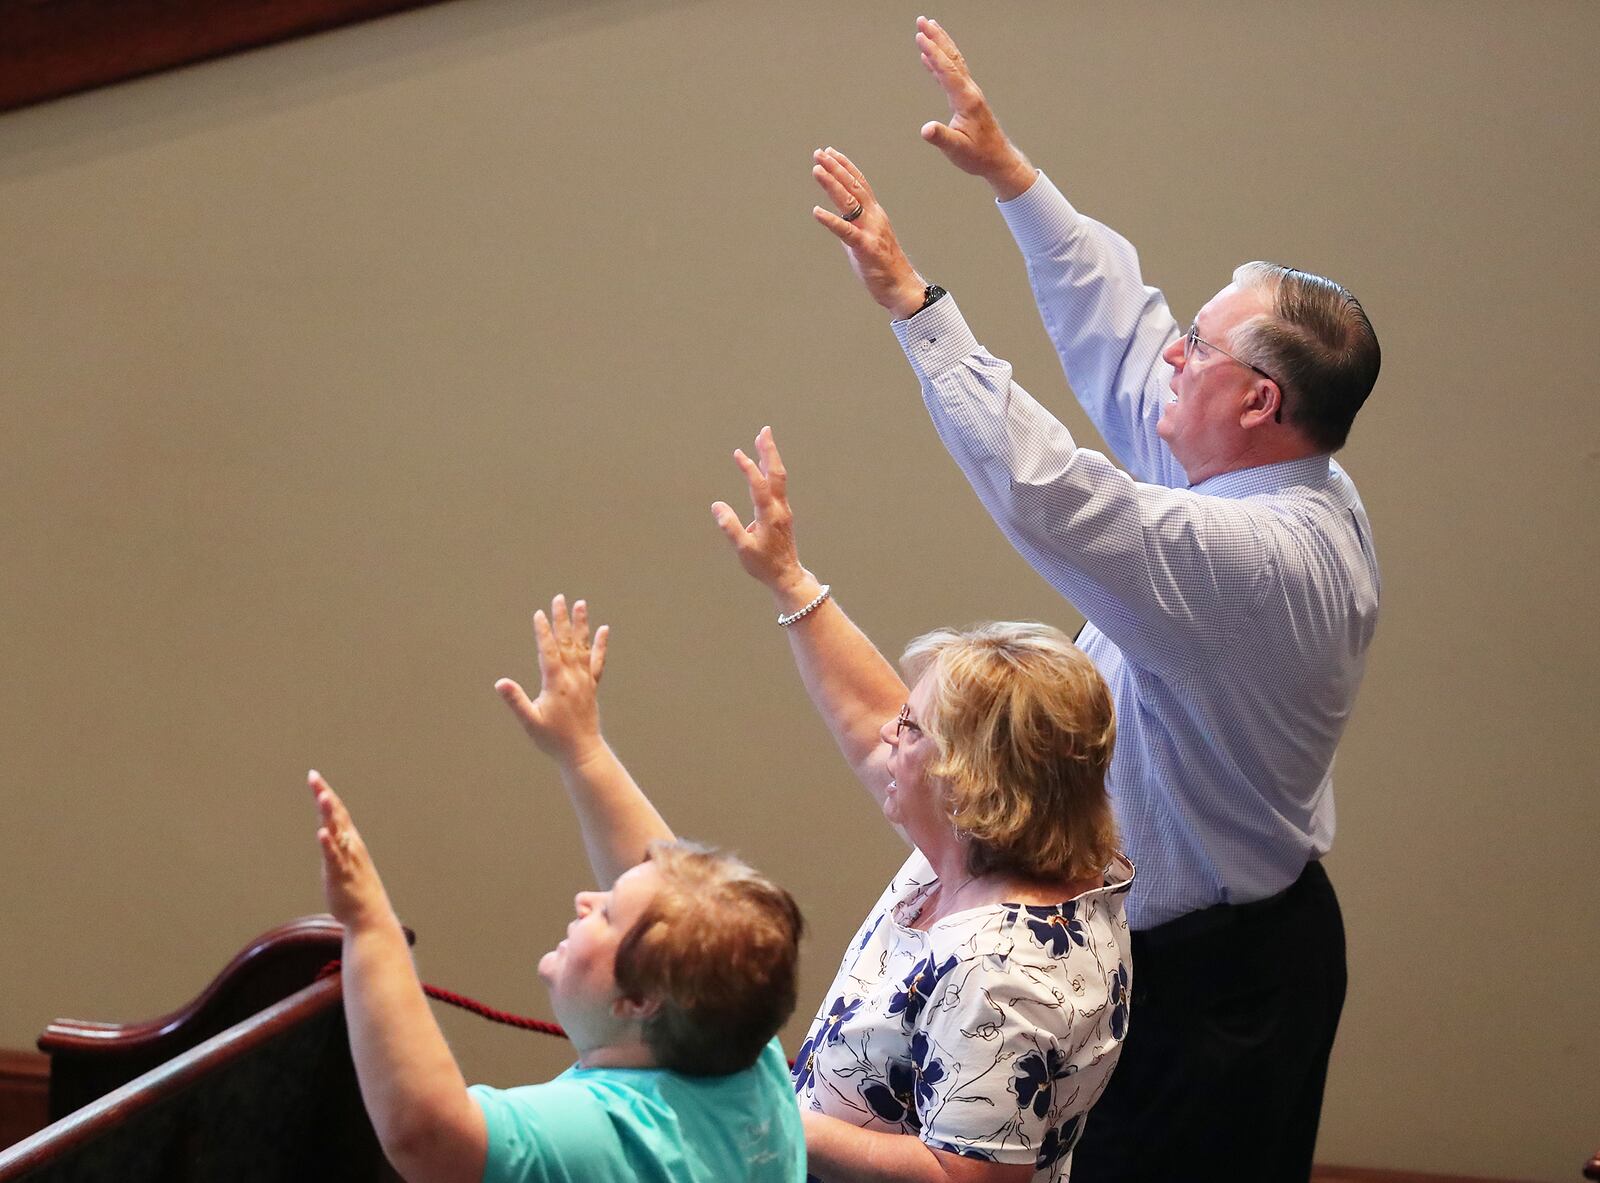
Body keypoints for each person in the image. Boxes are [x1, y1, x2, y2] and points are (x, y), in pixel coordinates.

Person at [805, 18, 1383, 1182]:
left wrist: (917, 308)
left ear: (1260, 400)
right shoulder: (1267, 471)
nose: (1173, 354)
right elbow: (1122, 335)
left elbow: (1057, 499)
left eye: (1201, 348)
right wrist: (1013, 177)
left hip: (1216, 981)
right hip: (1191, 943)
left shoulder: (1257, 554)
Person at [712, 428, 1134, 1183]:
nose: (888, 734)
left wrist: (770, 1118)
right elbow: (867, 713)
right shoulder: (988, 849)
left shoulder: (1004, 968)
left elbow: (968, 1176)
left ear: (970, 780)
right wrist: (788, 579)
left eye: (911, 728)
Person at [307, 593, 807, 1183]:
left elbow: (429, 1134)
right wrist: (582, 749)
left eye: (609, 915)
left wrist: (368, 924)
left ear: (640, 1001)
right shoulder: (742, 1060)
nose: (587, 899)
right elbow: (671, 891)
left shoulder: (613, 1135)